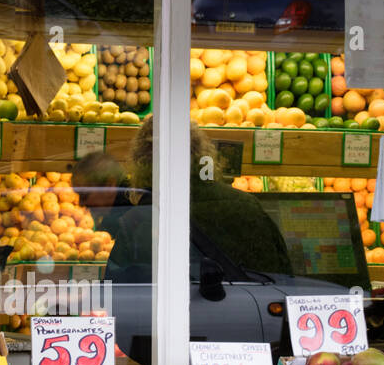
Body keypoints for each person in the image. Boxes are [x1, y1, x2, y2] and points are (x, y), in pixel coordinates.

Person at [105, 116, 292, 282]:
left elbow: (120, 290)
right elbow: (281, 273)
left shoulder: (140, 220)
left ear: (143, 164)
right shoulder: (248, 206)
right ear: (203, 156)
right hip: (246, 315)